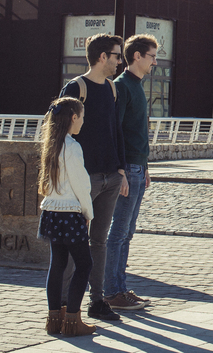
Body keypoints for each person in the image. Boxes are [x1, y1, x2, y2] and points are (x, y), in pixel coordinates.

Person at [59, 33, 129, 323]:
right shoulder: (76, 87)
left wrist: (121, 171)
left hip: (110, 177)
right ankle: (63, 304)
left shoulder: (111, 88)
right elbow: (56, 132)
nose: (120, 61)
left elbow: (116, 131)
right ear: (102, 57)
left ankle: (96, 301)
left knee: (98, 241)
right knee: (73, 242)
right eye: (117, 55)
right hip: (83, 180)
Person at [103, 34, 159, 312]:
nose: (155, 62)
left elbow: (137, 133)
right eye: (152, 56)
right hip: (127, 171)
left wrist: (145, 167)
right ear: (137, 56)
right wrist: (121, 171)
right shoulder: (122, 86)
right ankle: (111, 291)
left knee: (127, 232)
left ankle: (120, 288)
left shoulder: (137, 86)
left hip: (138, 168)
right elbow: (115, 132)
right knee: (118, 232)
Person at [37, 96, 95, 337]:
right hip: (70, 214)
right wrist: (88, 212)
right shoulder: (72, 147)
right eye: (81, 117)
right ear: (73, 117)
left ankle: (54, 319)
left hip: (51, 212)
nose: (82, 121)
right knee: (84, 264)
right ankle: (72, 320)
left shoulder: (51, 144)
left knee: (57, 265)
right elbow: (81, 185)